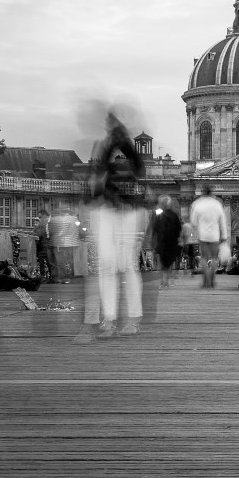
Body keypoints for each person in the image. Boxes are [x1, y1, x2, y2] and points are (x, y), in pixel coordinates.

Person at [86, 110, 146, 339]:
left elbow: (133, 171)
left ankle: (128, 318)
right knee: (109, 264)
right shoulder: (107, 146)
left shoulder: (122, 146)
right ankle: (112, 318)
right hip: (112, 208)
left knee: (125, 264)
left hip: (125, 208)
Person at [189, 185, 228, 289]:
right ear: (211, 193)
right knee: (214, 258)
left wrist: (196, 230)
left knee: (204, 258)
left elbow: (193, 222)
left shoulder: (197, 204)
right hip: (215, 235)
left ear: (202, 193)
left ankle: (205, 280)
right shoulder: (217, 204)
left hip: (203, 235)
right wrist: (224, 235)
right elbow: (222, 221)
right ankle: (212, 278)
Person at [151, 195, 182, 291]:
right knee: (169, 262)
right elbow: (179, 229)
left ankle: (163, 281)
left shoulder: (158, 215)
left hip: (162, 242)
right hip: (172, 242)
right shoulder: (174, 215)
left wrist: (153, 241)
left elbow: (155, 229)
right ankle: (166, 280)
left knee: (163, 262)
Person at [51, 206, 81, 284]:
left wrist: (55, 237)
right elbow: (79, 230)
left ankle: (64, 278)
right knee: (71, 261)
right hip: (74, 243)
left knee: (61, 262)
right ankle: (73, 277)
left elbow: (61, 232)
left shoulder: (61, 219)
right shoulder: (75, 219)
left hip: (63, 243)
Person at [34, 209, 52, 282]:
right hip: (43, 246)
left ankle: (46, 277)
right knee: (46, 263)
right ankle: (47, 277)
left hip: (45, 246)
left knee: (48, 263)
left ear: (44, 216)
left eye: (40, 217)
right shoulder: (44, 224)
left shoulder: (47, 223)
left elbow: (39, 234)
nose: (39, 219)